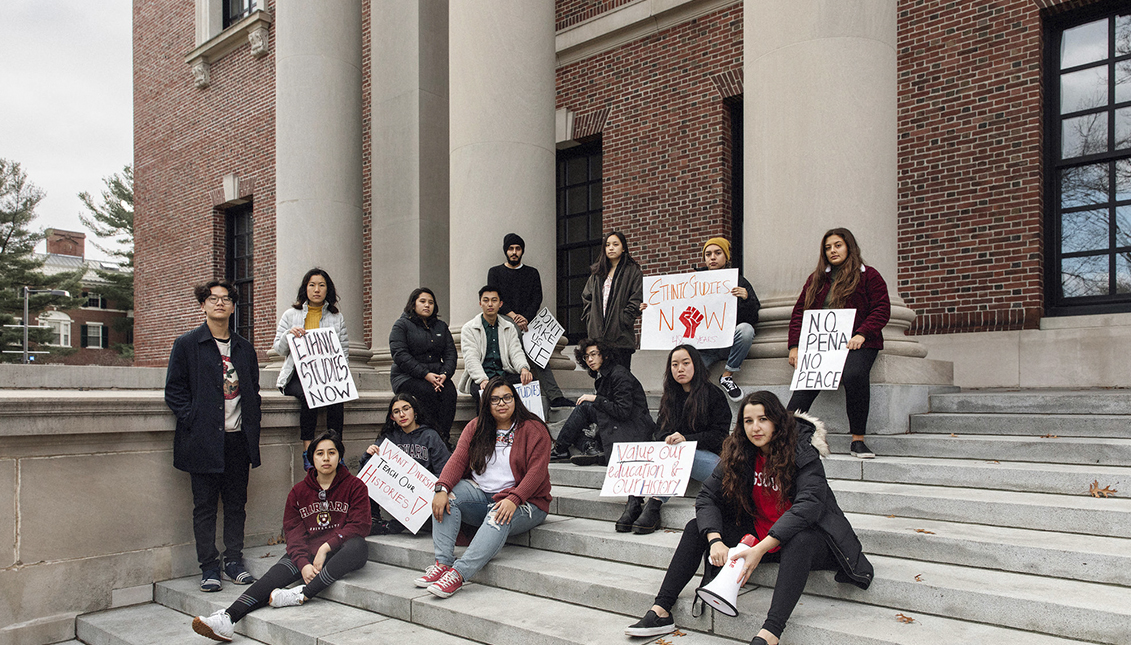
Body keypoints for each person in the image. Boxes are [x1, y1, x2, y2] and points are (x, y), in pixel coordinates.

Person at [624, 391, 873, 644]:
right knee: (695, 526)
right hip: (759, 534)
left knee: (801, 540)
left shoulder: (802, 452)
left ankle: (771, 633)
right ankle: (661, 610)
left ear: (777, 421)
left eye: (763, 419)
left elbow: (808, 507)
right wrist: (715, 539)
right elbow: (707, 496)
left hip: (810, 539)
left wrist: (762, 548)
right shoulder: (739, 451)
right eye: (748, 421)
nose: (756, 428)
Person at [191, 432, 370, 642]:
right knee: (270, 580)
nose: (326, 458)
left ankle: (303, 593)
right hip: (306, 554)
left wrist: (325, 548)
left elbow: (360, 525)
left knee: (358, 546)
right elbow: (293, 533)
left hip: (339, 553)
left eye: (332, 452)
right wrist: (303, 563)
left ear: (339, 456)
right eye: (320, 453)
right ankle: (228, 618)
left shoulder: (355, 486)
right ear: (312, 458)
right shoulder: (298, 491)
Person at [414, 376, 552, 598]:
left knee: (497, 515)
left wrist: (515, 498)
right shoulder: (476, 427)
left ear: (515, 400)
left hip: (527, 502)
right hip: (481, 494)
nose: (502, 403)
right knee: (448, 497)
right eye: (495, 399)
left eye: (507, 397)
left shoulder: (534, 429)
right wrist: (441, 488)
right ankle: (442, 564)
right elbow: (458, 459)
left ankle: (458, 574)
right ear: (486, 404)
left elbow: (537, 473)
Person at [165, 280, 261, 593]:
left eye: (226, 299)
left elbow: (253, 392)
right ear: (203, 305)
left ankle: (234, 561)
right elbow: (174, 391)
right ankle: (209, 567)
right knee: (204, 507)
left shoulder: (245, 349)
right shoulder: (187, 344)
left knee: (236, 505)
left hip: (237, 441)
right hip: (203, 442)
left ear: (233, 306)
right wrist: (193, 419)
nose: (219, 303)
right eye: (212, 298)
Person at [787, 228, 891, 459]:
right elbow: (799, 314)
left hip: (858, 343)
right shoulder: (816, 279)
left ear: (849, 247)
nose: (832, 250)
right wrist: (794, 345)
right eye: (827, 247)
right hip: (822, 345)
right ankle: (783, 436)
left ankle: (858, 440)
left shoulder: (869, 276)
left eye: (837, 245)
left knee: (854, 374)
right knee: (806, 382)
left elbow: (882, 308)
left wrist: (863, 333)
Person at [630, 345, 732, 535]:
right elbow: (659, 430)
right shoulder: (671, 397)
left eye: (686, 363)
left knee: (681, 454)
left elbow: (720, 436)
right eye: (675, 365)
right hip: (678, 459)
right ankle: (633, 502)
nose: (680, 369)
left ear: (696, 365)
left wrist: (687, 439)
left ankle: (654, 503)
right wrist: (667, 437)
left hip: (713, 463)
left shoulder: (714, 395)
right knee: (659, 451)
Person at [272, 268, 349, 469]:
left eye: (321, 285)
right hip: (296, 374)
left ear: (328, 290)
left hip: (327, 374)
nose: (317, 290)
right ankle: (308, 451)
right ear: (305, 288)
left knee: (337, 401)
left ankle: (336, 451)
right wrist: (289, 335)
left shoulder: (336, 317)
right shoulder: (291, 314)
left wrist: (340, 377)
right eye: (312, 285)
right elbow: (279, 350)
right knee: (309, 394)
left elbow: (344, 351)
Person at [487, 232, 574, 409]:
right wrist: (513, 316)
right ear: (506, 251)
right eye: (511, 249)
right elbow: (494, 298)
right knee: (522, 341)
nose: (514, 252)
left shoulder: (532, 273)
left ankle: (555, 396)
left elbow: (537, 298)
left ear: (522, 251)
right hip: (504, 320)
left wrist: (524, 317)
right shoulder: (495, 272)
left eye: (517, 249)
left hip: (528, 322)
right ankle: (551, 394)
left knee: (538, 351)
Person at [361, 393, 451, 535]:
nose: (402, 414)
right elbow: (366, 468)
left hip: (421, 496)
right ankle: (374, 517)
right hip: (396, 492)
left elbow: (445, 469)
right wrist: (369, 454)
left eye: (406, 409)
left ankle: (395, 525)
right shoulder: (389, 437)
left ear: (415, 411)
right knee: (369, 468)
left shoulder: (429, 436)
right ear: (392, 417)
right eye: (396, 412)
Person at [389, 287, 458, 447]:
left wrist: (445, 374)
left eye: (431, 302)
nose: (427, 305)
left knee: (449, 392)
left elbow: (450, 354)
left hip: (437, 376)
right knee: (427, 393)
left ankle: (442, 439)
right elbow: (400, 355)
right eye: (422, 301)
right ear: (413, 304)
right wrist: (426, 374)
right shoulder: (401, 325)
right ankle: (429, 437)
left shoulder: (441, 326)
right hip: (407, 376)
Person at [697, 237, 761, 400]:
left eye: (718, 253)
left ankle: (727, 376)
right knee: (690, 380)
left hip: (728, 342)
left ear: (726, 256)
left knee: (746, 330)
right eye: (708, 254)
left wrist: (747, 299)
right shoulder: (693, 283)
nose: (712, 257)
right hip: (704, 346)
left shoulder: (739, 282)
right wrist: (652, 308)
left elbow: (753, 318)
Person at [458, 286, 533, 411]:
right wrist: (481, 379)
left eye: (494, 300)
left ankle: (522, 425)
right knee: (483, 392)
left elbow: (516, 352)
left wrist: (524, 368)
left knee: (529, 382)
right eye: (486, 300)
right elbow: (471, 358)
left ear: (500, 304)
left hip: (504, 374)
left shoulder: (509, 327)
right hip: (480, 377)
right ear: (480, 303)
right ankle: (484, 429)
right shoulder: (469, 328)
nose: (490, 304)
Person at [581, 231, 644, 370]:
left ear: (623, 248)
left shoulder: (633, 272)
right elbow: (586, 297)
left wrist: (623, 320)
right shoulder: (597, 274)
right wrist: (591, 319)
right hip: (598, 337)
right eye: (608, 245)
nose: (611, 248)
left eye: (615, 244)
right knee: (602, 380)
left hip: (621, 338)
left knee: (621, 378)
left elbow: (636, 298)